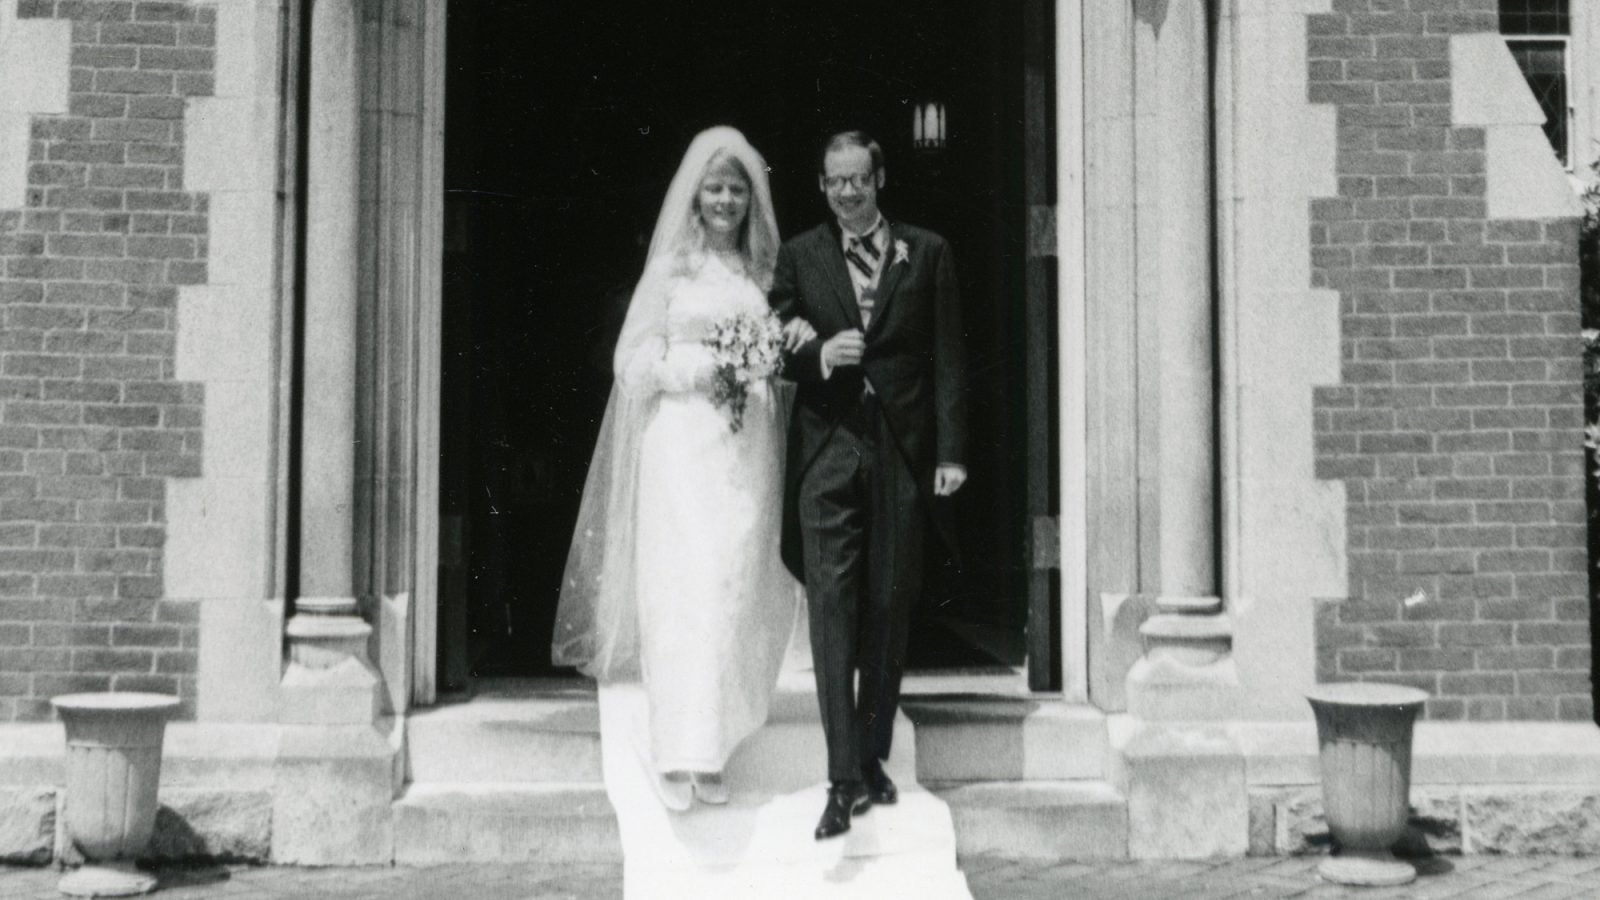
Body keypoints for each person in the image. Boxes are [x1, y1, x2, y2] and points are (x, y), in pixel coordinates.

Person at [552, 126, 810, 811]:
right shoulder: (671, 271)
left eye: (737, 190)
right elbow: (631, 366)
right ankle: (678, 748)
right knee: (682, 590)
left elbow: (784, 350)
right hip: (680, 449)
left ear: (752, 200)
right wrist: (702, 368)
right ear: (694, 196)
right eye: (715, 188)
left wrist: (767, 360)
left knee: (732, 586)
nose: (725, 200)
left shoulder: (764, 274)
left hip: (746, 449)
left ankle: (717, 741)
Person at [770, 131, 968, 840]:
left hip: (904, 452)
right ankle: (842, 776)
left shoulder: (929, 250)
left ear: (879, 179)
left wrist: (953, 453)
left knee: (889, 601)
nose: (847, 192)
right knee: (832, 607)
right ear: (821, 187)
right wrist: (820, 353)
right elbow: (770, 342)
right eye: (834, 182)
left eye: (858, 179)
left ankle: (873, 752)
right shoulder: (800, 256)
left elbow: (947, 356)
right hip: (827, 449)